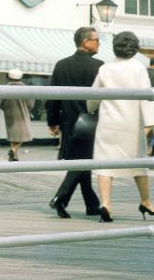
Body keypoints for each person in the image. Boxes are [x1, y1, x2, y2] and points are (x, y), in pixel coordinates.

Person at [87, 31, 154, 222]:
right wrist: (150, 123)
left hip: (108, 122)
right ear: (135, 48)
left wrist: (91, 108)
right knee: (138, 163)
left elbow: (93, 97)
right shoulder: (138, 68)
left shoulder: (105, 68)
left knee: (105, 164)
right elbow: (146, 97)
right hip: (132, 123)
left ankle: (106, 204)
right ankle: (146, 201)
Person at [46, 26, 103, 219]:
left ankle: (92, 204)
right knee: (82, 161)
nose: (99, 44)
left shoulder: (62, 65)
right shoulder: (99, 66)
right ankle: (60, 198)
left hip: (69, 121)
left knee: (81, 160)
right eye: (97, 40)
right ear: (86, 42)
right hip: (91, 120)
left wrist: (52, 121)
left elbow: (52, 96)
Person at [1, 69, 34, 162]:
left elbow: (1, 103)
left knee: (13, 136)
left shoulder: (5, 88)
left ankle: (15, 156)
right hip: (22, 114)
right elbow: (30, 103)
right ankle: (13, 150)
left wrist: (6, 109)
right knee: (24, 134)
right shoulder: (25, 88)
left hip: (9, 114)